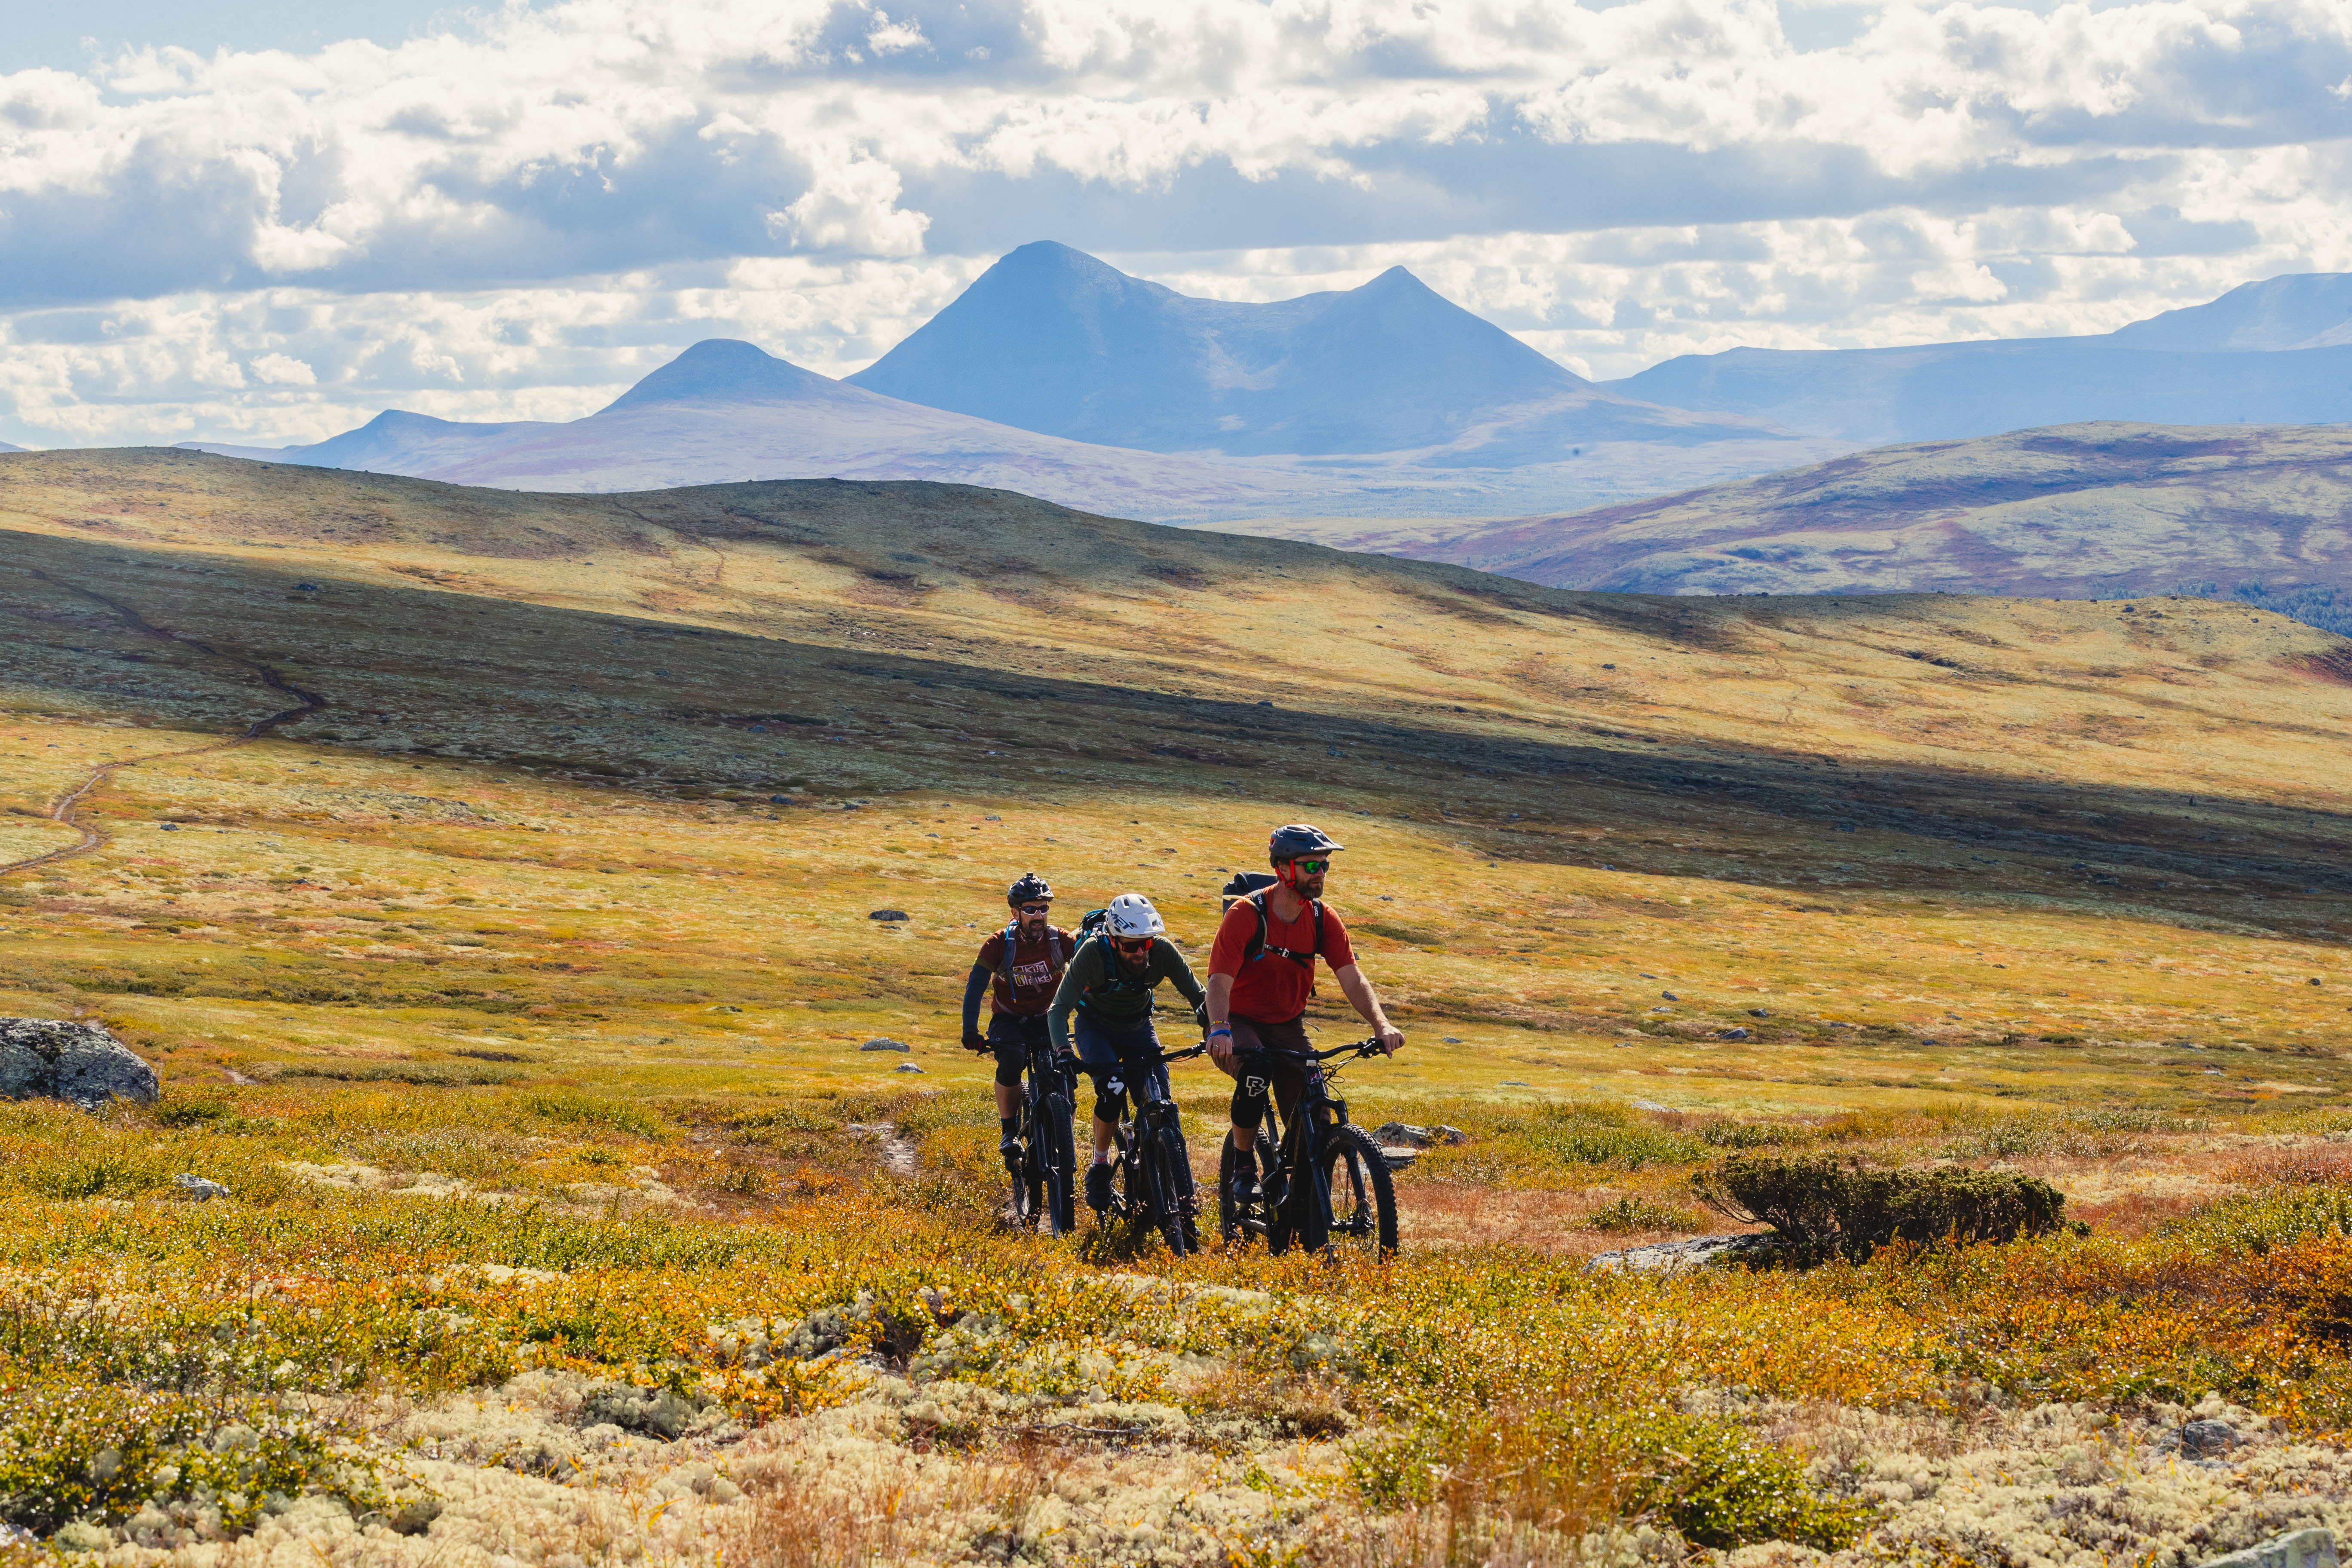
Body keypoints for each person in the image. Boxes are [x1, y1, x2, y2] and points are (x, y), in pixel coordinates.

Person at [1205, 824, 1405, 1208]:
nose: (1320, 873)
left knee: (1316, 1108)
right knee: (1255, 1072)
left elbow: (1352, 977)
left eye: (1325, 866)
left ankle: (1304, 1203)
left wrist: (1381, 1024)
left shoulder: (1322, 919)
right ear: (1283, 868)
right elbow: (1218, 983)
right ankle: (1244, 1165)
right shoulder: (1246, 915)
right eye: (1312, 865)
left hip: (1288, 1025)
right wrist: (1219, 1028)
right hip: (1237, 1021)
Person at [1045, 893, 1210, 1212]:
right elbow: (1058, 1009)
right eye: (1132, 946)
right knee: (1113, 1089)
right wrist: (1063, 1051)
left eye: (1146, 944)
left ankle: (1161, 1187)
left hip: (1138, 1027)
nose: (1141, 952)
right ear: (1113, 939)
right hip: (1095, 1028)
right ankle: (1099, 1165)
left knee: (1160, 1100)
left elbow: (1199, 996)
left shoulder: (1162, 952)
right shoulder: (1093, 954)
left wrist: (1215, 1027)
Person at [961, 873, 1075, 1174]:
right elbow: (975, 987)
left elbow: (1086, 971)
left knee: (1065, 1071)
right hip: (1009, 1019)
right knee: (1012, 1058)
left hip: (1050, 1018)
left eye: (1044, 909)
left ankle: (1062, 1134)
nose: (1039, 916)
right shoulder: (999, 944)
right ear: (1015, 912)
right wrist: (970, 1031)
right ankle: (1009, 1131)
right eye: (1031, 910)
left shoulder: (1060, 941)